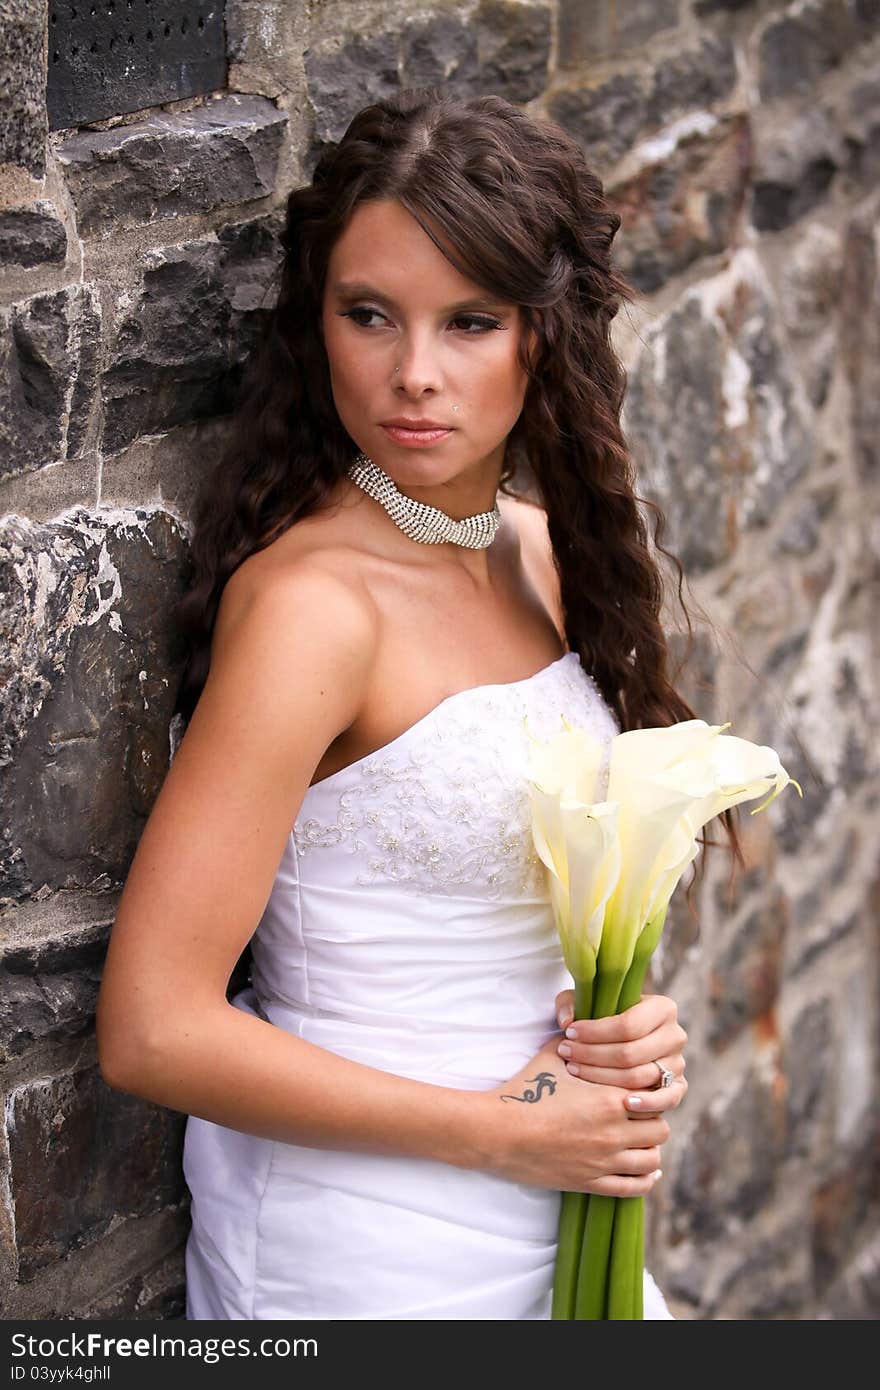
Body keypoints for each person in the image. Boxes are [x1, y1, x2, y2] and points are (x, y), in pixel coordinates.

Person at [95, 88, 718, 1321]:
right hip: (369, 1238)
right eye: (368, 315)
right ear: (314, 320)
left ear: (544, 334)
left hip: (553, 1199)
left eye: (470, 322)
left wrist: (626, 1024)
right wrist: (498, 1132)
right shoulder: (313, 610)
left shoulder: (541, 555)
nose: (413, 376)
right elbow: (151, 1028)